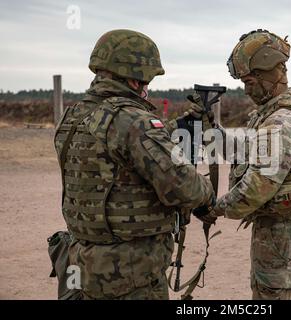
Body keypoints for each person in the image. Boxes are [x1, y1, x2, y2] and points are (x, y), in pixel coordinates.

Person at [53, 29, 214, 300]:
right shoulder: (133, 120)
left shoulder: (72, 117)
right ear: (133, 77)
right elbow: (185, 187)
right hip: (129, 273)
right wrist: (208, 194)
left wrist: (174, 128)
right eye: (146, 79)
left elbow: (117, 156)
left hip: (82, 263)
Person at [197, 29, 291, 300]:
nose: (246, 89)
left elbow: (257, 186)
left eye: (250, 81)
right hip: (279, 232)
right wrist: (212, 130)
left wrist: (215, 208)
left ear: (271, 74)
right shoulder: (271, 117)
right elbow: (243, 154)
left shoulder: (281, 122)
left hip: (284, 236)